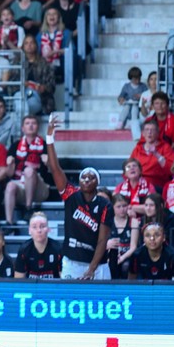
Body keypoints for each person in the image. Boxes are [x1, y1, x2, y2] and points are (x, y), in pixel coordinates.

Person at [45, 115, 110, 279]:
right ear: (79, 182)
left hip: (98, 264)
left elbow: (102, 241)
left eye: (91, 177)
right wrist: (49, 137)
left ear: (97, 183)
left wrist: (91, 269)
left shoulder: (105, 205)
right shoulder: (71, 195)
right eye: (83, 177)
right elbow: (54, 168)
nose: (87, 179)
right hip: (72, 262)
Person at [12, 212, 63, 278]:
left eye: (42, 226)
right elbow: (18, 281)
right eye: (34, 227)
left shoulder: (58, 249)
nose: (39, 230)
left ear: (48, 229)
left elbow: (64, 281)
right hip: (31, 287)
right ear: (29, 230)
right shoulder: (24, 250)